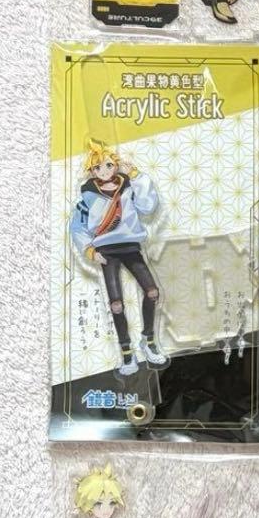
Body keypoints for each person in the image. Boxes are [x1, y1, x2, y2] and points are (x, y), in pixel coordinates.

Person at [70, 140, 168, 376]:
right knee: (116, 304)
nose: (104, 171)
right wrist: (89, 251)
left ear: (115, 164)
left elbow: (148, 207)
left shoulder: (128, 186)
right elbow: (77, 226)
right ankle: (126, 352)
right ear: (91, 171)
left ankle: (148, 340)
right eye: (97, 167)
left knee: (152, 292)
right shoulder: (88, 196)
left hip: (131, 246)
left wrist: (136, 176)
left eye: (108, 165)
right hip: (106, 251)